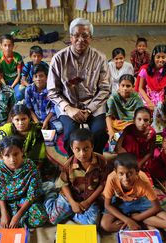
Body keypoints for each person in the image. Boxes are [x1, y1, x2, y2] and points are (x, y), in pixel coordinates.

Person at [47, 18, 110, 155]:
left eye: (85, 36)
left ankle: (95, 160)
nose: (80, 39)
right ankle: (73, 163)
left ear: (91, 38)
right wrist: (69, 108)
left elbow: (105, 88)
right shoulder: (58, 59)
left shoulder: (100, 58)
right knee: (70, 134)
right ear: (71, 37)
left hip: (93, 104)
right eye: (76, 35)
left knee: (99, 132)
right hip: (68, 104)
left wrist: (89, 109)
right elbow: (52, 91)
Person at [0, 136, 48, 229]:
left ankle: (0, 222)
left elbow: (32, 196)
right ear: (1, 156)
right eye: (7, 155)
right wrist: (4, 214)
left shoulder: (31, 167)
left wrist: (17, 216)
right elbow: (0, 194)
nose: (12, 160)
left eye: (16, 154)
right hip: (2, 203)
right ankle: (5, 220)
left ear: (22, 152)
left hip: (22, 202)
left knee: (41, 216)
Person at [45, 128, 108, 225]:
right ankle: (50, 194)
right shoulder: (68, 165)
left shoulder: (101, 161)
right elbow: (64, 184)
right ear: (72, 148)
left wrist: (88, 202)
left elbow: (102, 184)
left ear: (92, 146)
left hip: (90, 199)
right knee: (53, 219)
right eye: (77, 149)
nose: (82, 154)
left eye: (86, 148)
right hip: (70, 197)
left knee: (93, 224)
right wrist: (73, 203)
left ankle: (71, 213)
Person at [100, 153, 166, 232]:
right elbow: (107, 205)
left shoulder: (143, 180)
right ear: (115, 172)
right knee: (106, 225)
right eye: (121, 174)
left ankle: (136, 219)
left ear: (137, 171)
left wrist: (132, 219)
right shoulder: (111, 178)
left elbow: (156, 207)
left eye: (130, 173)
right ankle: (145, 223)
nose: (125, 178)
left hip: (139, 202)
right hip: (120, 202)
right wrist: (127, 221)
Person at [116, 107, 163, 180]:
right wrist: (121, 151)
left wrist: (140, 163)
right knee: (129, 139)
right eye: (139, 119)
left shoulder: (152, 133)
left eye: (146, 120)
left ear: (150, 121)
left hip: (143, 157)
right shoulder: (129, 128)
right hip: (129, 155)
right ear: (134, 120)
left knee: (156, 167)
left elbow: (151, 152)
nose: (142, 123)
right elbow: (119, 143)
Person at [135, 44, 166, 109]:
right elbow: (140, 88)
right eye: (158, 57)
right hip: (148, 96)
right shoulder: (145, 70)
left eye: (163, 57)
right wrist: (148, 101)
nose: (160, 60)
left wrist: (165, 100)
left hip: (163, 97)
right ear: (153, 57)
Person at [24, 64, 62, 133]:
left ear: (47, 77)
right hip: (35, 118)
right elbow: (29, 108)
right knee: (29, 130)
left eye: (41, 76)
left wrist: (46, 121)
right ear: (32, 78)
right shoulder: (28, 89)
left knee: (60, 128)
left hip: (50, 118)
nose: (38, 79)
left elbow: (53, 108)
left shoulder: (51, 89)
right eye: (35, 76)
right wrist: (37, 122)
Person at [106, 74, 144, 142]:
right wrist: (110, 131)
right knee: (113, 142)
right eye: (122, 85)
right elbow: (108, 116)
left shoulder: (136, 98)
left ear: (133, 87)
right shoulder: (113, 98)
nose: (125, 88)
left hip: (132, 124)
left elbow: (141, 114)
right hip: (117, 125)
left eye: (128, 86)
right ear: (119, 86)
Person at [0, 34, 24, 101]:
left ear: (13, 46)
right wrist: (5, 86)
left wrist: (12, 87)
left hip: (15, 82)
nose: (7, 48)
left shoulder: (17, 57)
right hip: (3, 81)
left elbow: (19, 75)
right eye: (5, 45)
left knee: (19, 95)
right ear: (1, 46)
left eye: (9, 45)